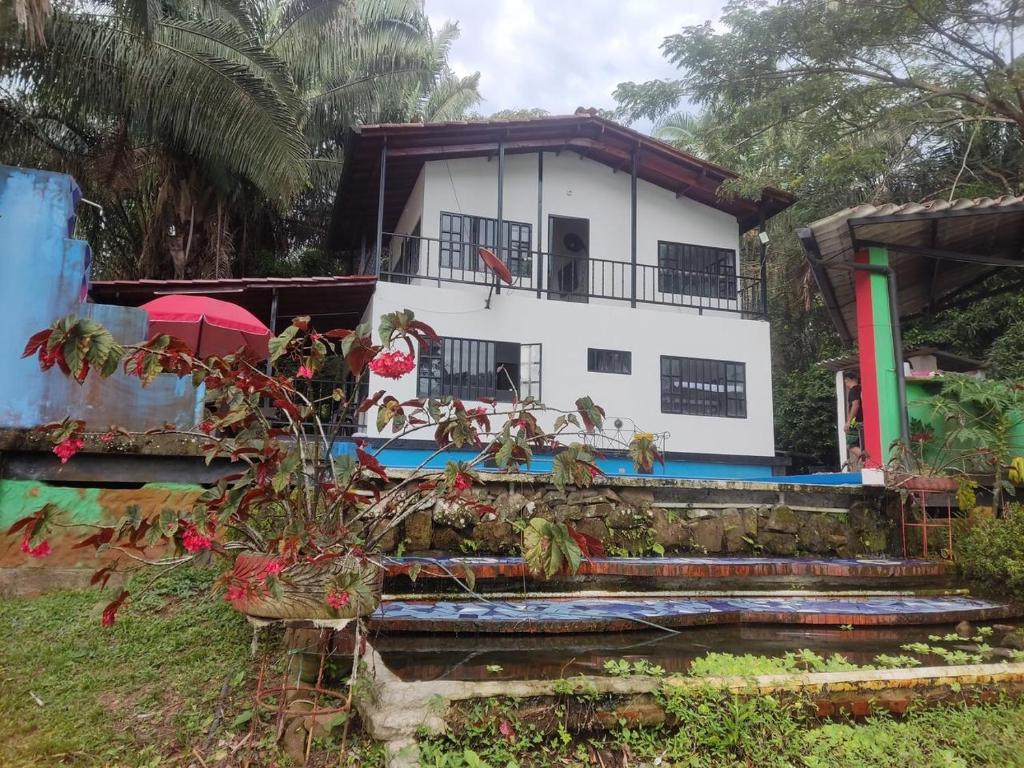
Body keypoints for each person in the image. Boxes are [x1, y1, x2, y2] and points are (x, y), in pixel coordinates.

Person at [844, 371, 863, 470]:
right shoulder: (861, 388)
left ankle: (865, 457)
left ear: (848, 380)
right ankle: (862, 460)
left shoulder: (853, 390)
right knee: (861, 443)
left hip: (856, 422)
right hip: (864, 421)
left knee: (851, 445)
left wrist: (849, 422)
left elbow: (855, 404)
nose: (846, 385)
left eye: (846, 382)